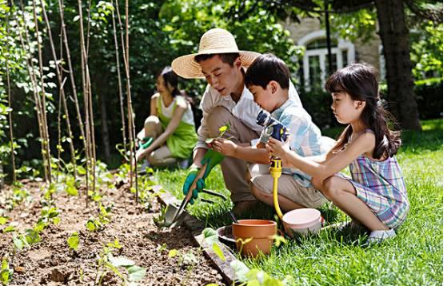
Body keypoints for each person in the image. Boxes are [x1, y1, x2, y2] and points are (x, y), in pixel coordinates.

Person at [171, 28, 319, 214]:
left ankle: (278, 197)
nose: (213, 83)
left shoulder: (267, 85)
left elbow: (287, 139)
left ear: (237, 63)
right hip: (257, 149)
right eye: (207, 76)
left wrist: (237, 148)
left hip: (283, 157)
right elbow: (204, 137)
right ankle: (244, 197)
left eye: (218, 73)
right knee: (216, 117)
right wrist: (196, 165)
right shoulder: (212, 95)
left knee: (262, 168)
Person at [267, 63, 410, 243]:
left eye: (337, 100)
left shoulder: (367, 136)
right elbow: (326, 160)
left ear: (359, 103)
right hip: (377, 203)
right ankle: (361, 222)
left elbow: (325, 170)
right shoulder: (352, 130)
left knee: (332, 182)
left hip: (392, 207)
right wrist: (291, 162)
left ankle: (381, 230)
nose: (332, 106)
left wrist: (289, 155)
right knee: (319, 180)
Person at [220, 53, 333, 212]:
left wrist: (235, 150)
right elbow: (261, 146)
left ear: (273, 87)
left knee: (258, 186)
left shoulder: (293, 116)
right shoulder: (275, 116)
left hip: (310, 185)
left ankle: (307, 213)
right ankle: (280, 202)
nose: (254, 100)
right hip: (294, 174)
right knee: (251, 173)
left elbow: (268, 155)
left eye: (255, 93)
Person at [135, 67, 197, 168]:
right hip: (166, 137)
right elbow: (150, 125)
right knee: (151, 121)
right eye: (158, 83)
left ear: (172, 86)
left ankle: (180, 161)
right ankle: (146, 163)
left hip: (183, 141)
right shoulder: (155, 99)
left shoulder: (180, 104)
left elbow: (168, 132)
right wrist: (139, 136)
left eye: (164, 84)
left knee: (153, 158)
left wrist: (145, 151)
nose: (159, 87)